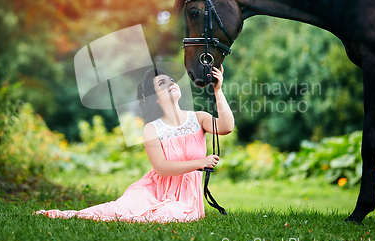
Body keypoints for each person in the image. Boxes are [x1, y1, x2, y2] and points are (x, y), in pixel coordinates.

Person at [35, 65, 234, 222]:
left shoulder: (198, 118)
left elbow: (226, 126)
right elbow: (162, 169)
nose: (171, 83)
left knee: (169, 214)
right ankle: (69, 215)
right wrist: (200, 162)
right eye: (162, 84)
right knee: (118, 209)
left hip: (185, 198)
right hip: (152, 190)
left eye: (172, 81)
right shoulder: (152, 129)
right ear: (155, 98)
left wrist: (218, 89)